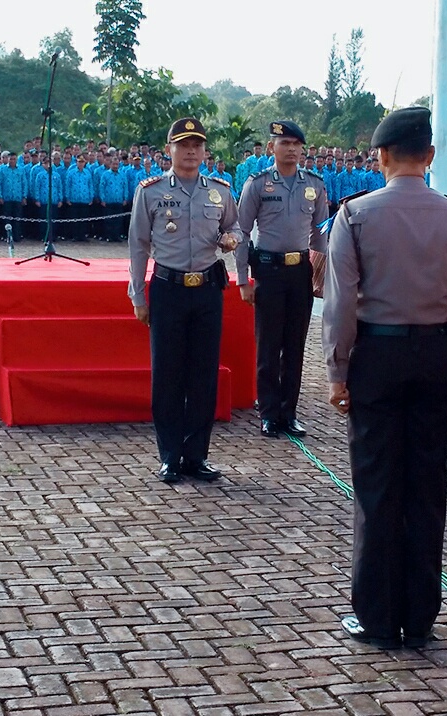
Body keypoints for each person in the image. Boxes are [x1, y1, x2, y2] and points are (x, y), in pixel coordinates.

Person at [322, 106, 447, 650]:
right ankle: (419, 618)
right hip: (437, 357)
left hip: (377, 359)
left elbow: (341, 307)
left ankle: (376, 616)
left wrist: (337, 370)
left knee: (375, 487)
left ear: (381, 156)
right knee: (426, 488)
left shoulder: (355, 216)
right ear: (431, 156)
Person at [127, 117, 242, 485]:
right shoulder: (151, 191)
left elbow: (237, 226)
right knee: (168, 374)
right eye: (183, 144)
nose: (191, 151)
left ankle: (196, 455)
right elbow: (138, 245)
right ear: (169, 150)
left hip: (208, 289)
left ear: (205, 151)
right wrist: (138, 295)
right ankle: (170, 455)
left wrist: (232, 239)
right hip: (168, 289)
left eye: (197, 145)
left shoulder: (220, 191)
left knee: (203, 375)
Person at [235, 120, 330, 439]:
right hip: (268, 270)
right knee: (268, 343)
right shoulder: (258, 184)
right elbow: (241, 232)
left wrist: (323, 274)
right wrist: (243, 280)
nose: (291, 149)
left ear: (303, 148)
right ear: (272, 147)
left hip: (299, 271)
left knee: (294, 345)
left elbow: (320, 234)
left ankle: (289, 412)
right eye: (284, 143)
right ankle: (269, 413)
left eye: (296, 144)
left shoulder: (314, 185)